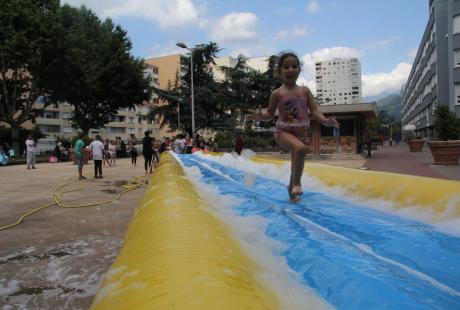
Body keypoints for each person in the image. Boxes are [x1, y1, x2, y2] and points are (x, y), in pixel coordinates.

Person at [247, 52, 339, 203]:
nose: (291, 69)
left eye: (294, 66)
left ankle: (291, 191)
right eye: (286, 67)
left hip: (300, 132)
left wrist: (325, 121)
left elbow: (314, 110)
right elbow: (270, 113)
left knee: (295, 165)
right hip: (283, 132)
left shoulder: (305, 91)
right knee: (301, 149)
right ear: (279, 72)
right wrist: (261, 116)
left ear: (299, 70)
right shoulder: (277, 93)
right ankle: (297, 184)